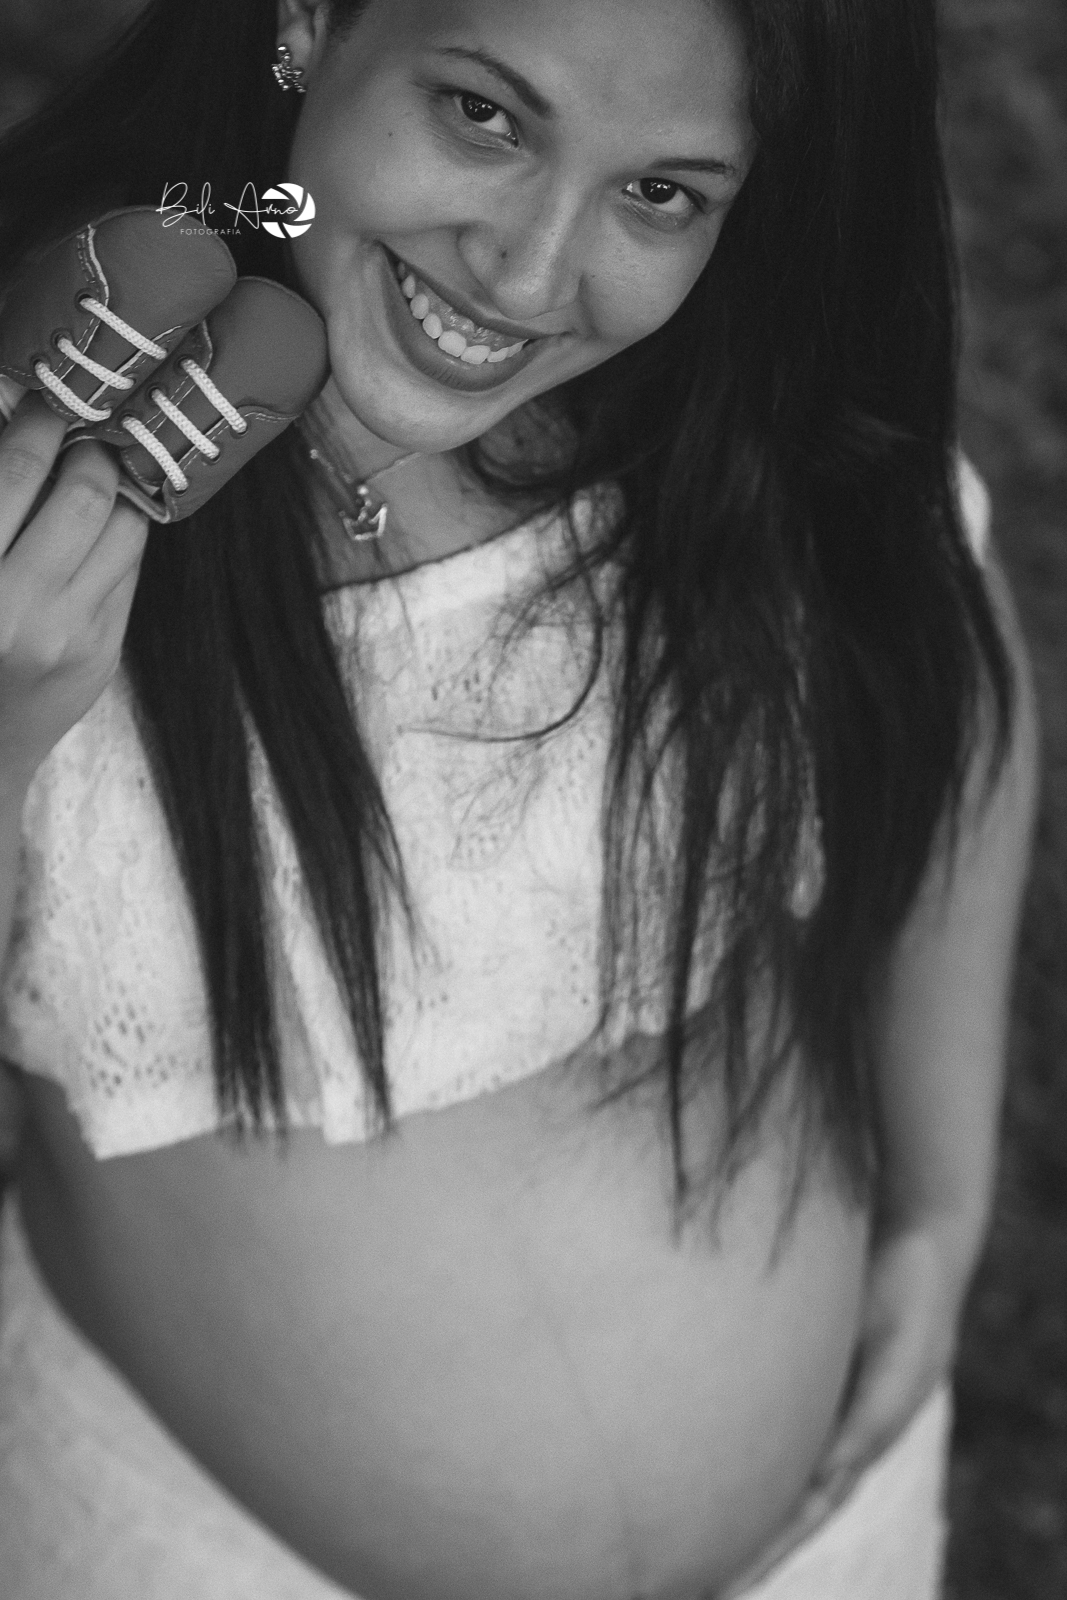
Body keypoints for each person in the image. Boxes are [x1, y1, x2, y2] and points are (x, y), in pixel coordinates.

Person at [0, 0, 1039, 1596]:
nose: (533, 272)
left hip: (836, 1548)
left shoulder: (739, 433)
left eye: (661, 192)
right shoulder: (40, 466)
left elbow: (939, 684)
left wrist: (944, 1196)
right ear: (309, 18)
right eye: (484, 114)